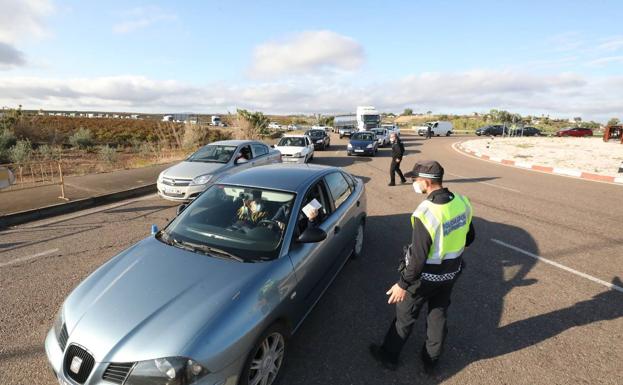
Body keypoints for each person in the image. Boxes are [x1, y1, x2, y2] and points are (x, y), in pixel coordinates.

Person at [370, 160, 475, 373]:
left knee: (405, 317)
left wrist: (403, 283)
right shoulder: (462, 202)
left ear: (426, 183)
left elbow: (418, 258)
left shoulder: (426, 212)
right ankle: (431, 361)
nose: (414, 183)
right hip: (451, 274)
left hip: (423, 279)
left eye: (416, 180)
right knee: (438, 315)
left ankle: (389, 356)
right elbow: (470, 237)